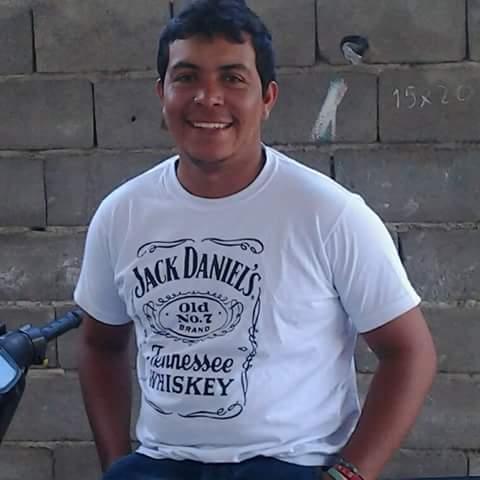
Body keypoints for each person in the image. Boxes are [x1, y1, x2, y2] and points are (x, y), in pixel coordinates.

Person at [74, 1, 437, 479]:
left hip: (287, 463)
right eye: (186, 77)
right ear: (162, 94)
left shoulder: (329, 214)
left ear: (267, 97)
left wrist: (350, 474)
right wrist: (117, 464)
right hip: (161, 463)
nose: (208, 97)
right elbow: (100, 344)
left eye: (232, 78)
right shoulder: (122, 213)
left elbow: (410, 352)